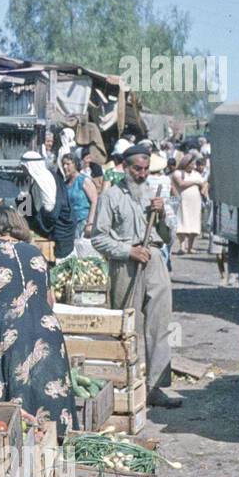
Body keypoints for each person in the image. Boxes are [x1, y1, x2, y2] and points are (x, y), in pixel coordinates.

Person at [0, 206, 77, 440]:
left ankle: (16, 451)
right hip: (48, 327)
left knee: (14, 388)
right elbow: (50, 299)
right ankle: (56, 447)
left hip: (10, 327)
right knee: (47, 387)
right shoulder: (36, 253)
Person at [91, 146, 181, 409]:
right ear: (125, 168)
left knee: (159, 325)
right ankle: (125, 384)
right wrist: (127, 250)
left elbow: (167, 238)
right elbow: (98, 237)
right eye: (137, 169)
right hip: (126, 265)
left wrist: (163, 215)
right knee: (127, 326)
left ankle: (156, 387)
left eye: (145, 169)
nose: (142, 174)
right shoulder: (110, 197)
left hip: (154, 261)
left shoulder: (154, 196)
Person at [21, 149, 75, 259]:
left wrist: (35, 221)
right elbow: (27, 203)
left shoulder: (45, 179)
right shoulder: (34, 179)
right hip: (52, 227)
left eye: (23, 167)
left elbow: (50, 208)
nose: (22, 169)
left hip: (60, 229)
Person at [172, 152, 205, 255]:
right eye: (191, 164)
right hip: (183, 201)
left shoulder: (197, 174)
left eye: (193, 164)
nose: (193, 166)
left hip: (195, 202)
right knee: (182, 222)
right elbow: (181, 184)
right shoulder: (178, 173)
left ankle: (190, 247)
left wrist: (203, 189)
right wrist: (195, 182)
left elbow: (203, 184)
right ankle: (182, 246)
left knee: (193, 224)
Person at [61, 152, 97, 238]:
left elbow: (94, 201)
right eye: (63, 164)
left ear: (75, 165)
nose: (65, 167)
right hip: (70, 224)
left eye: (68, 164)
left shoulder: (84, 180)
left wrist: (90, 223)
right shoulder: (65, 184)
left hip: (83, 223)